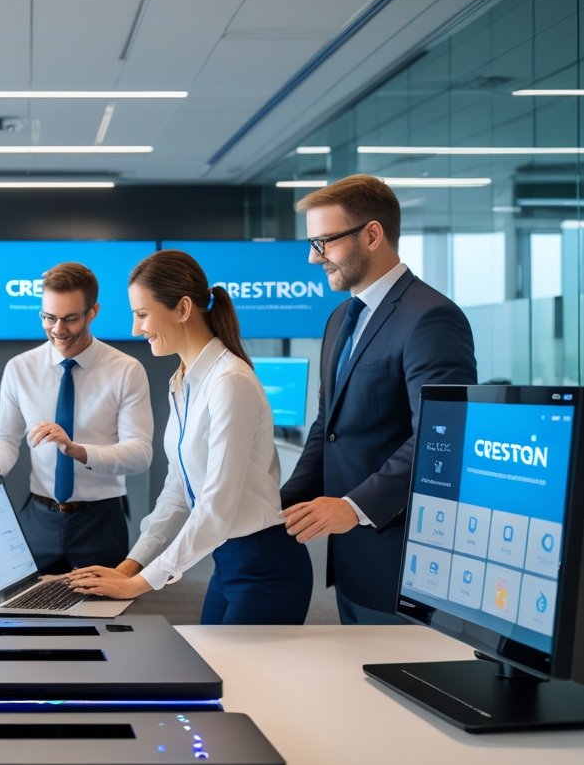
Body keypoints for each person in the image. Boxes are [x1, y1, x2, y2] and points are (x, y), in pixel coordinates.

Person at [65, 250, 312, 624]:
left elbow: (215, 507)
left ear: (183, 308)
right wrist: (131, 565)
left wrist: (141, 583)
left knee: (241, 680)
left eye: (143, 314)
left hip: (265, 565)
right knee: (217, 672)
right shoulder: (182, 382)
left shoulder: (230, 382)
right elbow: (178, 491)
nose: (136, 329)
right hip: (227, 559)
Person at [280, 174, 476, 624]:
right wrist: (283, 503)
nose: (314, 257)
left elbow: (442, 436)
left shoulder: (431, 317)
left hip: (403, 560)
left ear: (372, 234)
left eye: (325, 241)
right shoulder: (338, 319)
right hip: (353, 560)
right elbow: (327, 425)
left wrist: (353, 507)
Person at [0, 262, 153, 572]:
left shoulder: (126, 370)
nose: (58, 330)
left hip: (100, 521)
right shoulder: (20, 368)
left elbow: (140, 454)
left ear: (92, 312)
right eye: (48, 317)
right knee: (29, 614)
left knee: (98, 615)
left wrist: (77, 450)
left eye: (70, 319)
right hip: (39, 517)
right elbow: (5, 440)